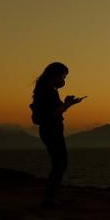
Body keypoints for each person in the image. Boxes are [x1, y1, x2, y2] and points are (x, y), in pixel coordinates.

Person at [29, 62, 85, 207]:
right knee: (60, 163)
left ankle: (51, 197)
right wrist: (67, 105)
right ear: (55, 75)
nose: (64, 80)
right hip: (51, 130)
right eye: (63, 76)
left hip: (50, 130)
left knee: (59, 163)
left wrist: (66, 103)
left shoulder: (45, 90)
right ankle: (49, 198)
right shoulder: (48, 91)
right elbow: (53, 112)